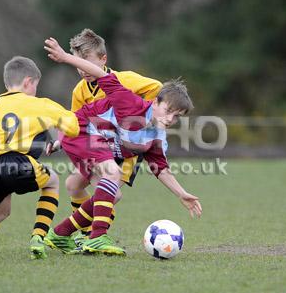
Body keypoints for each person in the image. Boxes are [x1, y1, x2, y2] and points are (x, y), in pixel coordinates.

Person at [43, 37, 202, 255]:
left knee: (113, 194)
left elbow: (161, 169)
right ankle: (97, 237)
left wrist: (182, 193)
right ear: (155, 102)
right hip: (81, 129)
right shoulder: (130, 101)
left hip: (92, 142)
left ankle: (60, 234)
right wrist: (65, 57)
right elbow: (101, 74)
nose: (170, 119)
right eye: (168, 111)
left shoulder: (156, 137)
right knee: (111, 173)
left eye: (177, 117)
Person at [0, 56, 79, 260]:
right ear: (28, 82)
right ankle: (38, 237)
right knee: (52, 182)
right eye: (35, 86)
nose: (35, 91)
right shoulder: (40, 104)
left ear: (7, 83)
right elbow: (73, 128)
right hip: (19, 162)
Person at [48, 29, 163, 244]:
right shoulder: (79, 91)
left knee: (110, 191)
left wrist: (142, 119)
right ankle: (83, 233)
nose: (83, 70)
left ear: (103, 59)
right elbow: (74, 122)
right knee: (73, 185)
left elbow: (158, 89)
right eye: (78, 65)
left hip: (125, 152)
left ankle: (95, 234)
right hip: (98, 147)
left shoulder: (124, 79)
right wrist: (58, 142)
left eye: (87, 63)